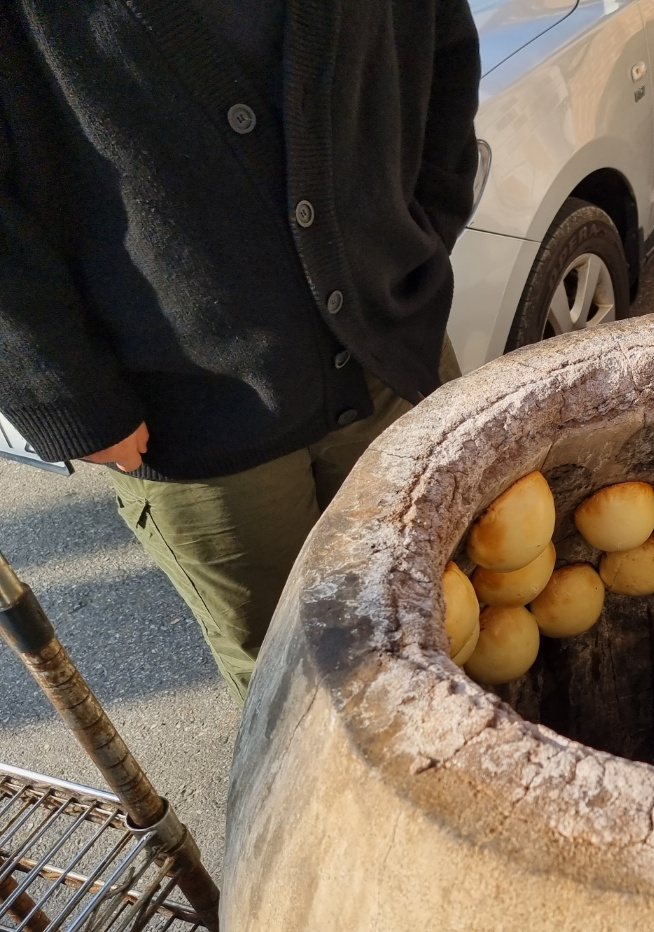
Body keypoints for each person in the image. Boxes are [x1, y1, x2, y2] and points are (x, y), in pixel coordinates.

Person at [0, 2, 481, 702]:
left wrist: (424, 225)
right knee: (302, 685)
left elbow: (443, 43)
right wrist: (64, 395)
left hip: (395, 348)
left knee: (462, 610)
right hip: (191, 418)